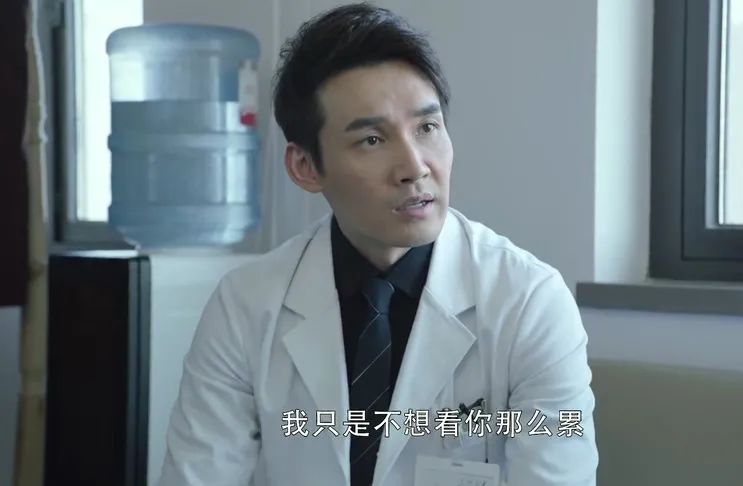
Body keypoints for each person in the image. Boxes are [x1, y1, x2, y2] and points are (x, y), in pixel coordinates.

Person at [158, 4, 598, 485]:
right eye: (372, 140)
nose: (414, 167)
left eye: (427, 128)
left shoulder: (530, 302)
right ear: (306, 167)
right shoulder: (245, 306)